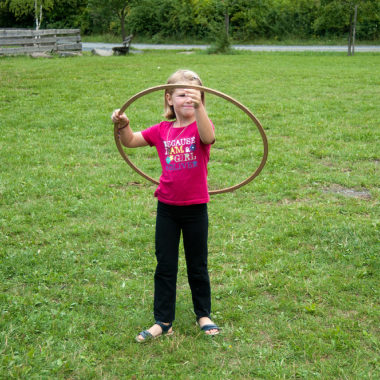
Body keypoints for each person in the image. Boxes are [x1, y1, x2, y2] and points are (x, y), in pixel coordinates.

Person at [111, 69, 220, 342]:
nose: (188, 99)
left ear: (202, 100)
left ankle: (203, 314)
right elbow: (132, 141)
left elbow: (208, 138)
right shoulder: (162, 130)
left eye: (195, 95)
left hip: (196, 208)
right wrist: (123, 124)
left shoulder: (201, 127)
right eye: (182, 94)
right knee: (165, 265)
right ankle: (163, 321)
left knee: (198, 264)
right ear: (169, 99)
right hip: (167, 208)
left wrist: (200, 108)